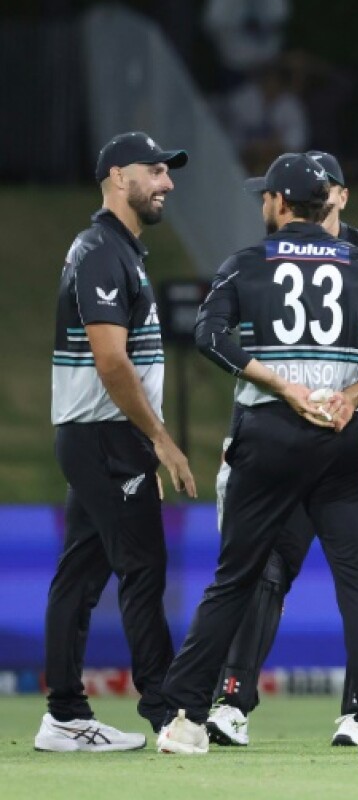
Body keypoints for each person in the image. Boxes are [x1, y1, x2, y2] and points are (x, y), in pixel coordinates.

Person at [155, 153, 358, 756]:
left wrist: (279, 384)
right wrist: (354, 396)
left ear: (280, 203)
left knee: (237, 577)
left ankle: (187, 718)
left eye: (265, 196)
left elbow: (207, 334)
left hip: (270, 434)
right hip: (341, 440)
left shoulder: (249, 263)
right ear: (325, 203)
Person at [37, 132, 195, 753]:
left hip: (101, 437)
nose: (167, 183)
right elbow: (111, 362)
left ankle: (64, 716)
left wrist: (139, 441)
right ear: (115, 176)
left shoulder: (118, 250)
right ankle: (167, 715)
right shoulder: (103, 249)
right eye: (155, 170)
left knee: (80, 573)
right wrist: (159, 440)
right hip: (103, 434)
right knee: (142, 567)